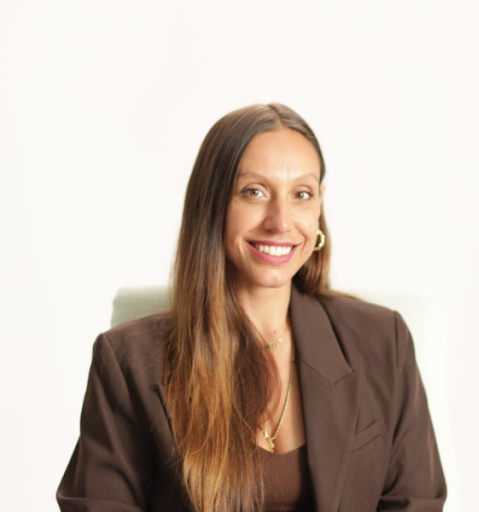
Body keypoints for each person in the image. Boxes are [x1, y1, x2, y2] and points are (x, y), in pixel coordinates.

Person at [57, 103, 447, 512]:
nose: (281, 221)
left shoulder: (385, 341)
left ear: (319, 208)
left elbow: (414, 502)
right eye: (254, 192)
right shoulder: (127, 361)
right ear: (212, 205)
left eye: (301, 194)